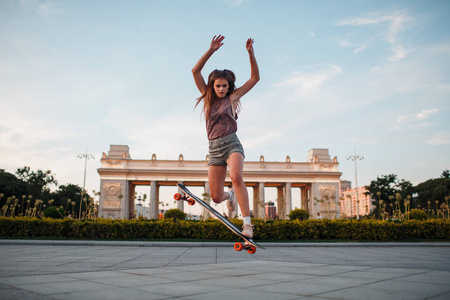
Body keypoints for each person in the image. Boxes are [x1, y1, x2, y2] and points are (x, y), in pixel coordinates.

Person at [192, 35, 260, 238]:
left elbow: (255, 79)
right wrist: (211, 50)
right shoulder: (207, 98)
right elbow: (195, 71)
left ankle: (247, 224)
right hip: (214, 149)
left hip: (232, 144)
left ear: (229, 87)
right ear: (213, 86)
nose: (222, 89)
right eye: (218, 86)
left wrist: (251, 54)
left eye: (224, 86)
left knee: (237, 176)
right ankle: (229, 195)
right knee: (215, 196)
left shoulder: (232, 98)